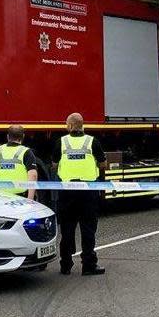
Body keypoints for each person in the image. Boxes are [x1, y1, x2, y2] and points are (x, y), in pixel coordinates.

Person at [52, 112, 106, 276]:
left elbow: (54, 165)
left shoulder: (61, 142)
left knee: (67, 229)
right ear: (82, 125)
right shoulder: (92, 142)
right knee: (88, 229)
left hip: (67, 192)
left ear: (69, 126)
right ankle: (88, 265)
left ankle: (65, 265)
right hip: (88, 192)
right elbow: (103, 164)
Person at [0, 125, 38, 200]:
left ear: (8, 137)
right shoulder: (26, 152)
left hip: (2, 197)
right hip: (20, 198)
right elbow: (33, 175)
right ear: (23, 136)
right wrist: (30, 199)